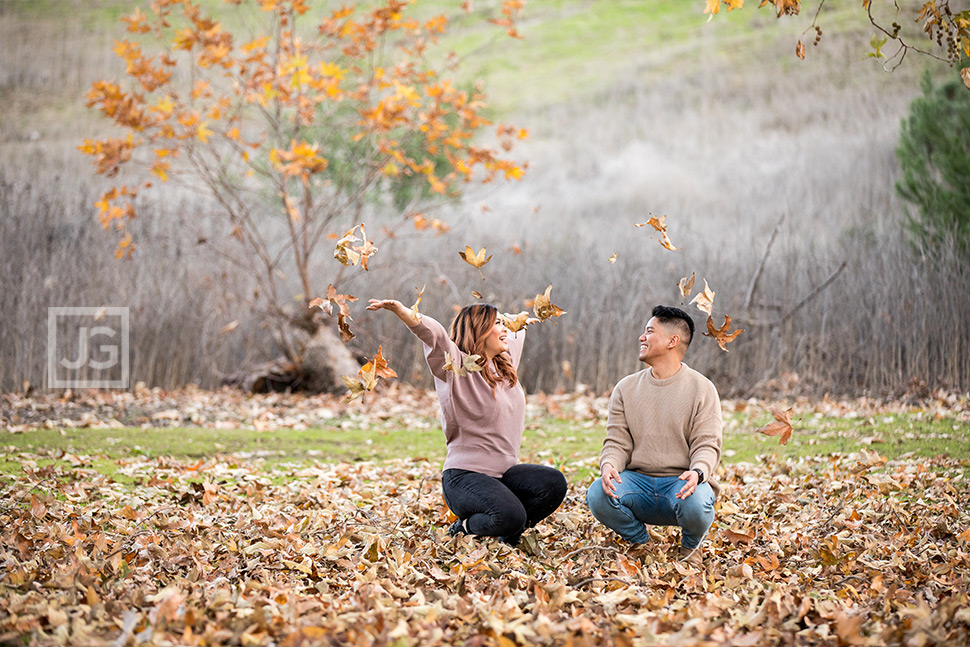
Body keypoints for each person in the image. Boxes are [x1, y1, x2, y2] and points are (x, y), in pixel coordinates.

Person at [366, 298, 567, 546]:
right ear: (479, 330)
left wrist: (516, 321)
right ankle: (464, 528)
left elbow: (514, 331)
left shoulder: (504, 365)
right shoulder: (456, 367)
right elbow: (434, 335)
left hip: (504, 475)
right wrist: (401, 311)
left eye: (503, 324)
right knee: (510, 515)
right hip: (464, 478)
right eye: (496, 324)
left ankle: (506, 536)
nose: (504, 329)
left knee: (553, 484)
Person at [585, 305, 722, 566]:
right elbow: (616, 441)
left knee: (696, 503)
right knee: (597, 495)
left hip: (681, 486)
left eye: (649, 331)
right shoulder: (626, 388)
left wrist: (698, 472)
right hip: (638, 485)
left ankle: (691, 547)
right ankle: (641, 542)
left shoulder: (702, 388)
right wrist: (609, 465)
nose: (642, 337)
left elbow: (707, 444)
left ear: (673, 341)